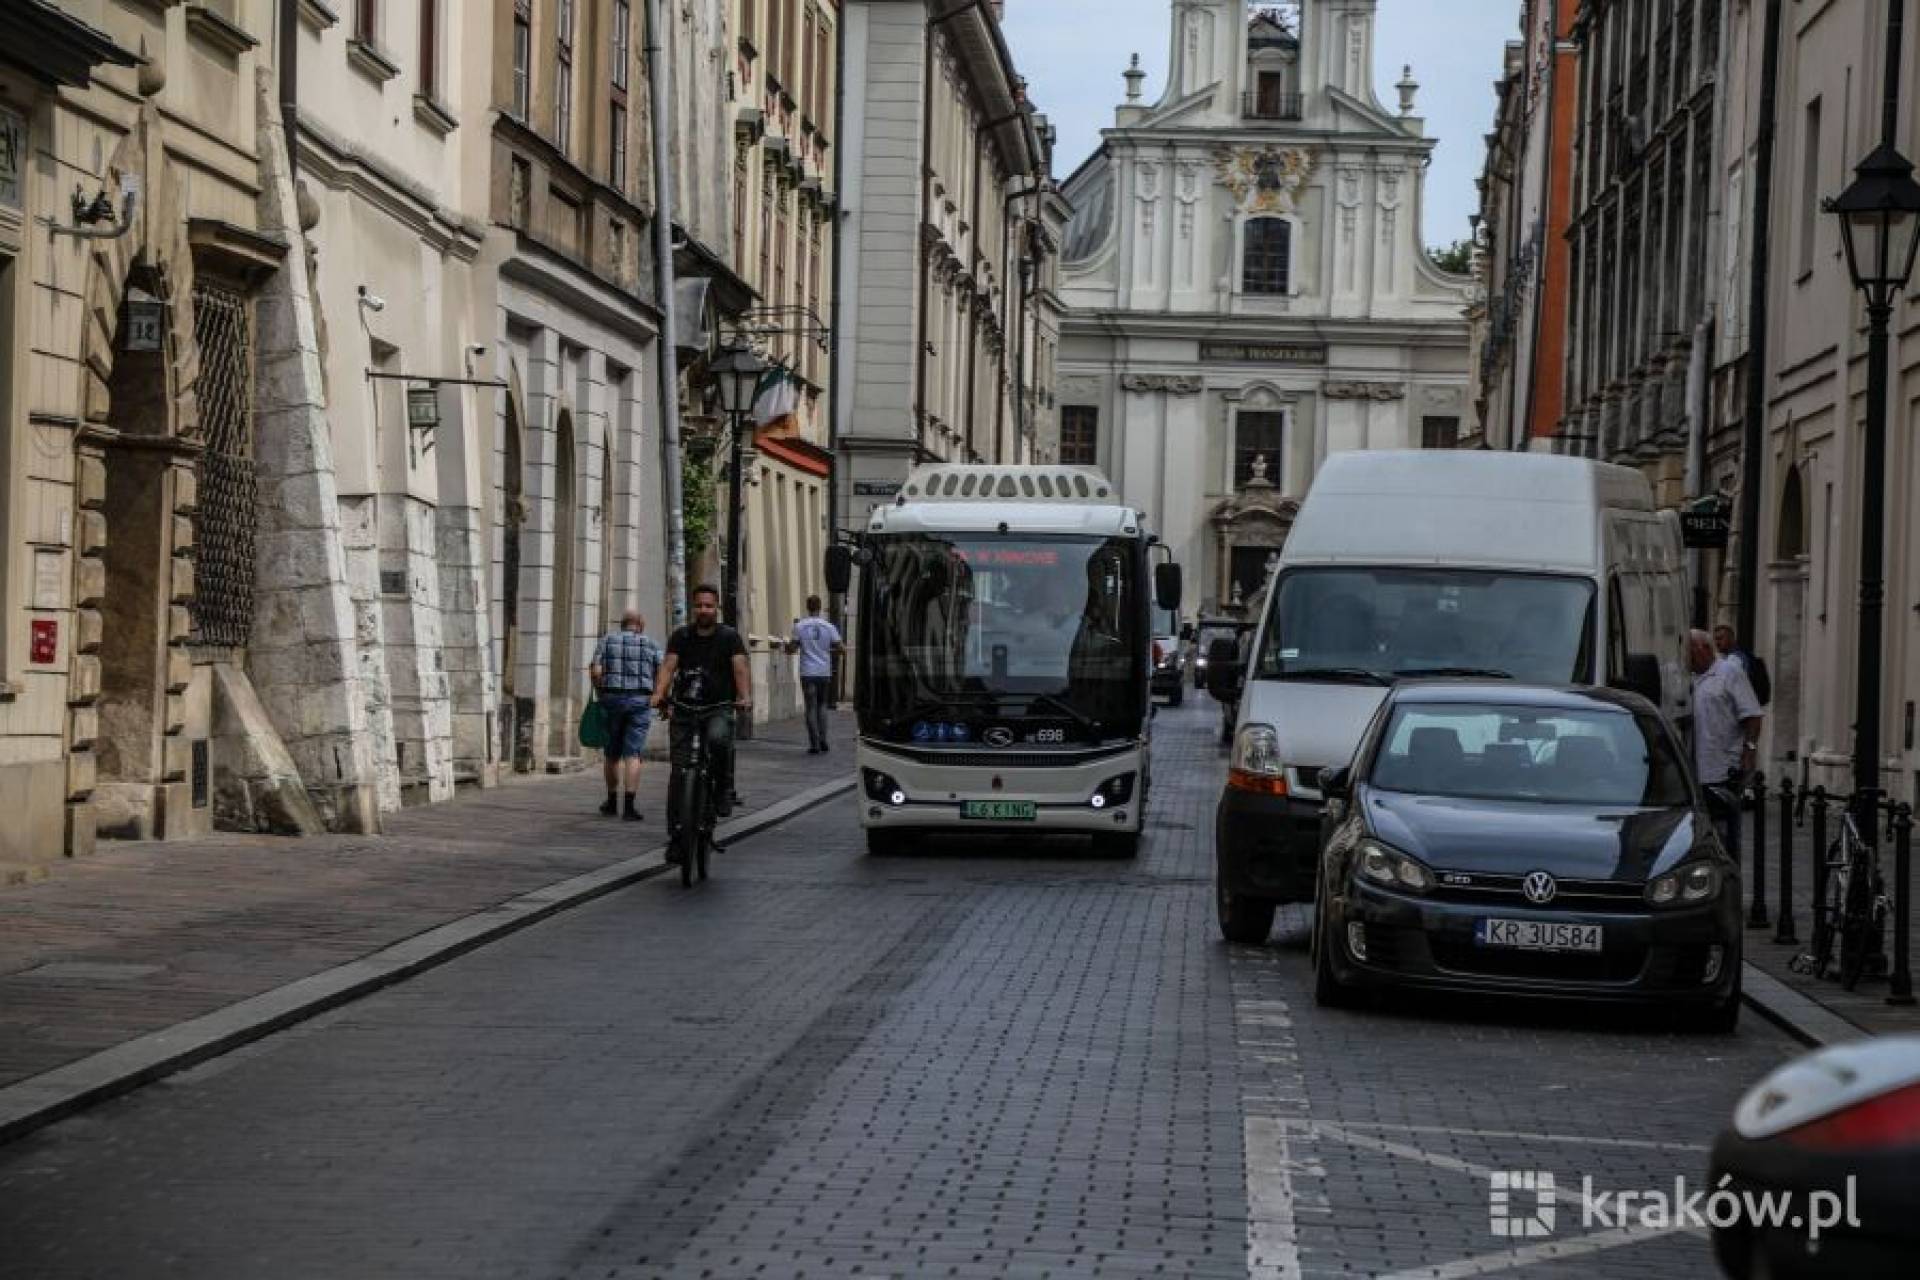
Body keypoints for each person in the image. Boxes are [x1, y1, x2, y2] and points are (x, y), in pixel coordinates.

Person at [652, 585, 752, 821]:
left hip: (717, 706)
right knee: (678, 770)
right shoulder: (681, 636)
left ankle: (722, 789)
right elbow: (668, 666)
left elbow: (739, 667)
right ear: (692, 608)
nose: (703, 610)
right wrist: (659, 693)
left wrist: (744, 696)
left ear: (716, 608)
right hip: (685, 706)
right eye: (698, 605)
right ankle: (677, 834)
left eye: (708, 605)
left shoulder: (729, 637)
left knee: (718, 740)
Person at [1690, 628, 1764, 852]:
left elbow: (1752, 714)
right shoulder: (1688, 677)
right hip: (1693, 770)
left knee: (1723, 831)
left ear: (1704, 648)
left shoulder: (1729, 672)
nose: (1686, 657)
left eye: (1689, 651)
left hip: (1722, 767)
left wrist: (1749, 751)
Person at [588, 608, 662, 820]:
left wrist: (600, 690)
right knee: (633, 754)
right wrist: (658, 694)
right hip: (640, 700)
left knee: (611, 754)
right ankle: (629, 807)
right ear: (640, 625)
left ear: (622, 624)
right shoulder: (651, 643)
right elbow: (663, 671)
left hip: (612, 699)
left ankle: (611, 802)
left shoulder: (607, 641)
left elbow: (596, 671)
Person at [785, 595, 844, 754]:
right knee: (822, 706)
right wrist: (828, 651)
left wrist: (787, 646)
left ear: (807, 607)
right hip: (824, 672)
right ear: (819, 607)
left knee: (810, 708)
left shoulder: (800, 626)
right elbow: (841, 649)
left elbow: (792, 648)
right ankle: (824, 739)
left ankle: (814, 743)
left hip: (808, 672)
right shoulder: (829, 626)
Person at [1712, 623, 1772, 706]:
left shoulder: (1735, 659)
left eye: (1720, 638)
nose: (1717, 642)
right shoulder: (1739, 655)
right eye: (1715, 639)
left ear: (1732, 638)